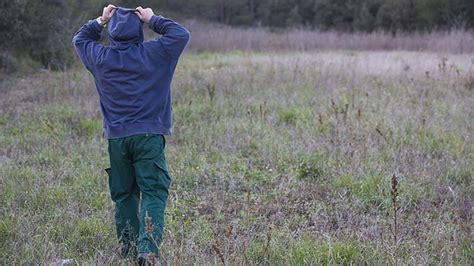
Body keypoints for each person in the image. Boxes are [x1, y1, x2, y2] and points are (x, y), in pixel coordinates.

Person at [72, 4, 190, 264]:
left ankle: (128, 251)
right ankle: (147, 253)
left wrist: (100, 20)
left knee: (125, 194)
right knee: (154, 192)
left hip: (116, 139)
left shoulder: (101, 57)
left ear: (112, 34)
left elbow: (80, 39)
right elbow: (180, 34)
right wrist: (153, 19)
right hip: (148, 136)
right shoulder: (156, 53)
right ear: (139, 31)